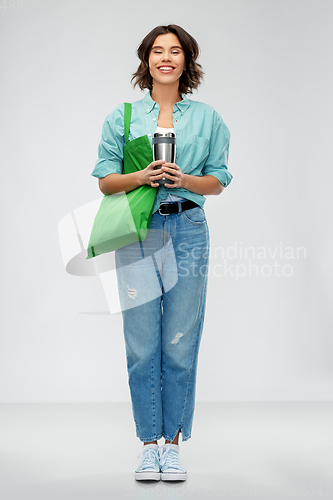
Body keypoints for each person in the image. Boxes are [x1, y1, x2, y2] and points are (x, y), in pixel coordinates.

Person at [91, 24, 233, 481]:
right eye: (158, 51)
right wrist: (142, 177)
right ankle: (147, 444)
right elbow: (104, 179)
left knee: (179, 341)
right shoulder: (124, 116)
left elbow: (219, 179)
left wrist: (183, 179)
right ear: (146, 60)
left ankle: (171, 444)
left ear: (187, 61)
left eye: (175, 51)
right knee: (141, 342)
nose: (166, 58)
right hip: (139, 228)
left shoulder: (209, 118)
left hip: (188, 226)